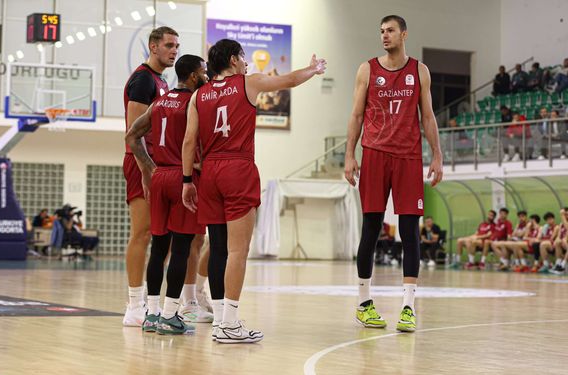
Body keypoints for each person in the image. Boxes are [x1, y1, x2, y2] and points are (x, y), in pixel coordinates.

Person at [181, 39, 326, 343]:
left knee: (218, 247)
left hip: (209, 172)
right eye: (244, 58)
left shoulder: (198, 96)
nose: (247, 63)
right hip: (237, 167)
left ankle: (221, 318)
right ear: (234, 60)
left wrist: (187, 181)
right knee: (238, 250)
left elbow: (188, 142)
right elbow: (287, 80)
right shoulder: (249, 83)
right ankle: (230, 323)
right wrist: (312, 69)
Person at [343, 15, 443, 333]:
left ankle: (408, 307)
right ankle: (364, 303)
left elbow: (427, 116)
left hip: (409, 157)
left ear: (404, 34)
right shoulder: (367, 69)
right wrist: (349, 154)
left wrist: (437, 155)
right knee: (371, 227)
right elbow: (356, 114)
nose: (384, 36)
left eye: (390, 31)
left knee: (410, 231)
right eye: (381, 31)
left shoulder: (419, 71)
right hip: (373, 154)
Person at [125, 54, 211, 334]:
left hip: (160, 176)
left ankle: (151, 314)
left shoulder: (160, 102)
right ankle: (172, 315)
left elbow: (131, 136)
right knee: (182, 249)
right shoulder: (195, 102)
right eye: (204, 72)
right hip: (182, 178)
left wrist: (150, 169)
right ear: (194, 76)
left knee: (159, 247)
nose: (207, 76)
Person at [122, 26, 178, 327]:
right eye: (169, 45)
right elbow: (134, 133)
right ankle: (133, 304)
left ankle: (149, 302)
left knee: (162, 237)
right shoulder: (143, 79)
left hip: (159, 164)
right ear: (153, 46)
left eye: (177, 46)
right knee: (142, 232)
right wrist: (146, 170)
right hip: (141, 164)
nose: (174, 50)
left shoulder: (162, 81)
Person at [549, 208, 568, 275]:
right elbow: (559, 235)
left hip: (566, 243)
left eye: (566, 214)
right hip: (564, 243)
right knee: (558, 242)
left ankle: (562, 266)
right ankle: (558, 264)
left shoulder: (565, 222)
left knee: (563, 241)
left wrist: (562, 215)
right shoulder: (561, 224)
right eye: (565, 214)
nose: (565, 216)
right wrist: (556, 241)